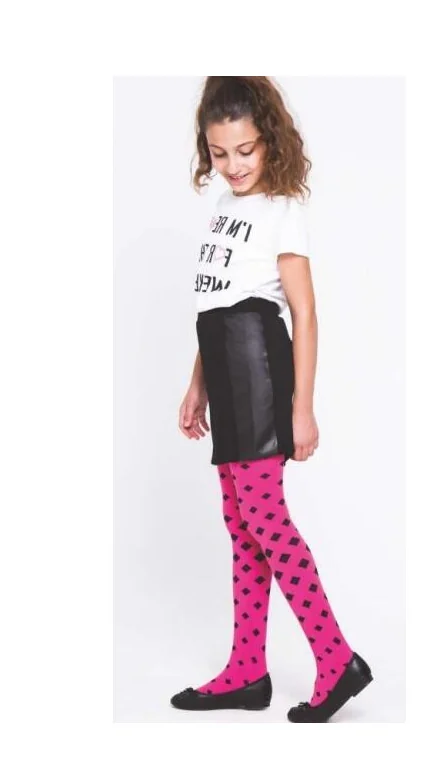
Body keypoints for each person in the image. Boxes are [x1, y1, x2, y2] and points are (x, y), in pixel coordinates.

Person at [171, 77, 372, 723]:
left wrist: (301, 408)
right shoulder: (223, 209)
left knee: (267, 520)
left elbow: (303, 312)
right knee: (241, 523)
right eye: (219, 152)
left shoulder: (282, 207)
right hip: (224, 368)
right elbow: (215, 304)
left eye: (246, 150)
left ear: (269, 142)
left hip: (259, 371)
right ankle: (247, 670)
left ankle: (336, 659)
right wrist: (198, 384)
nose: (233, 164)